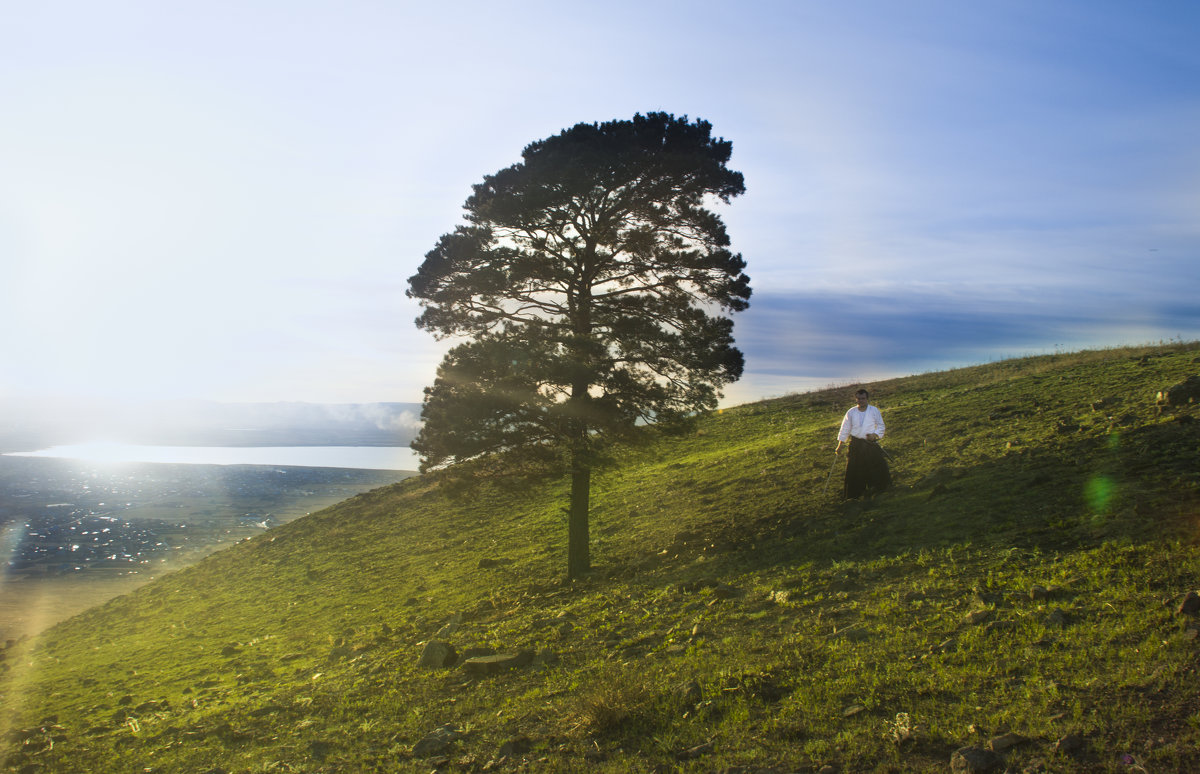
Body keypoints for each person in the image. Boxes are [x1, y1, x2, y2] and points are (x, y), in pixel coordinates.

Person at [834, 388, 891, 499]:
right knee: (854, 471)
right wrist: (839, 445)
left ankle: (878, 491)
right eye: (859, 399)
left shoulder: (874, 410)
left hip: (870, 445)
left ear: (867, 399)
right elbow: (845, 429)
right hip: (855, 444)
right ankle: (854, 495)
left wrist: (875, 435)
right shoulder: (851, 412)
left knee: (876, 468)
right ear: (856, 399)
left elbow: (881, 426)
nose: (861, 401)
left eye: (863, 398)